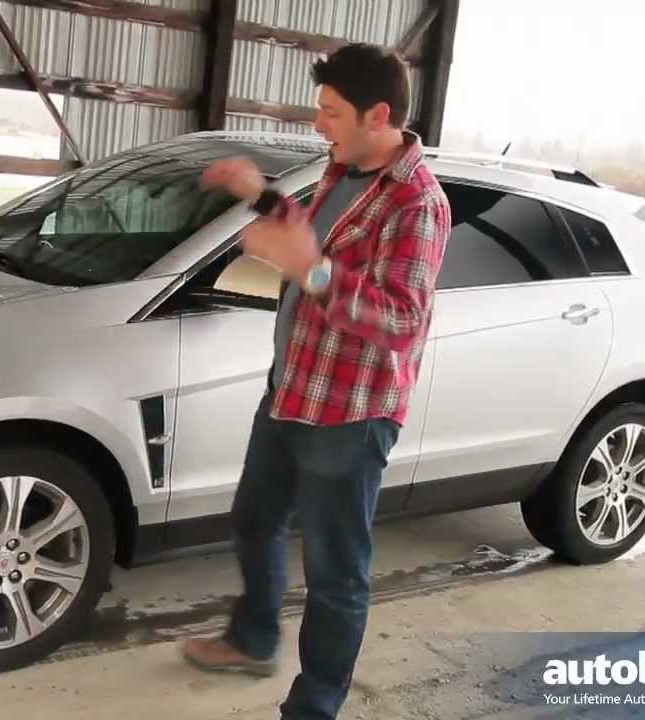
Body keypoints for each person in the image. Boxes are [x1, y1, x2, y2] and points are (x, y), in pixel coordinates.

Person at [181, 44, 452, 719]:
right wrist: (261, 194)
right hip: (292, 388)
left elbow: (401, 319)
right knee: (254, 519)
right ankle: (253, 640)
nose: (318, 122)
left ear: (378, 115)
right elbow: (313, 236)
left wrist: (313, 273)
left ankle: (313, 708)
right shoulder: (345, 168)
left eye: (331, 111)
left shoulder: (417, 203)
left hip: (349, 414)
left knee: (336, 573)